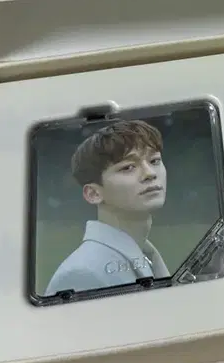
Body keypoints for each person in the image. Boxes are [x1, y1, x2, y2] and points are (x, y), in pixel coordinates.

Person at [44, 119, 171, 296]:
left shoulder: (147, 254)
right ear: (93, 193)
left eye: (154, 160)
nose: (150, 173)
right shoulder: (82, 274)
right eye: (128, 167)